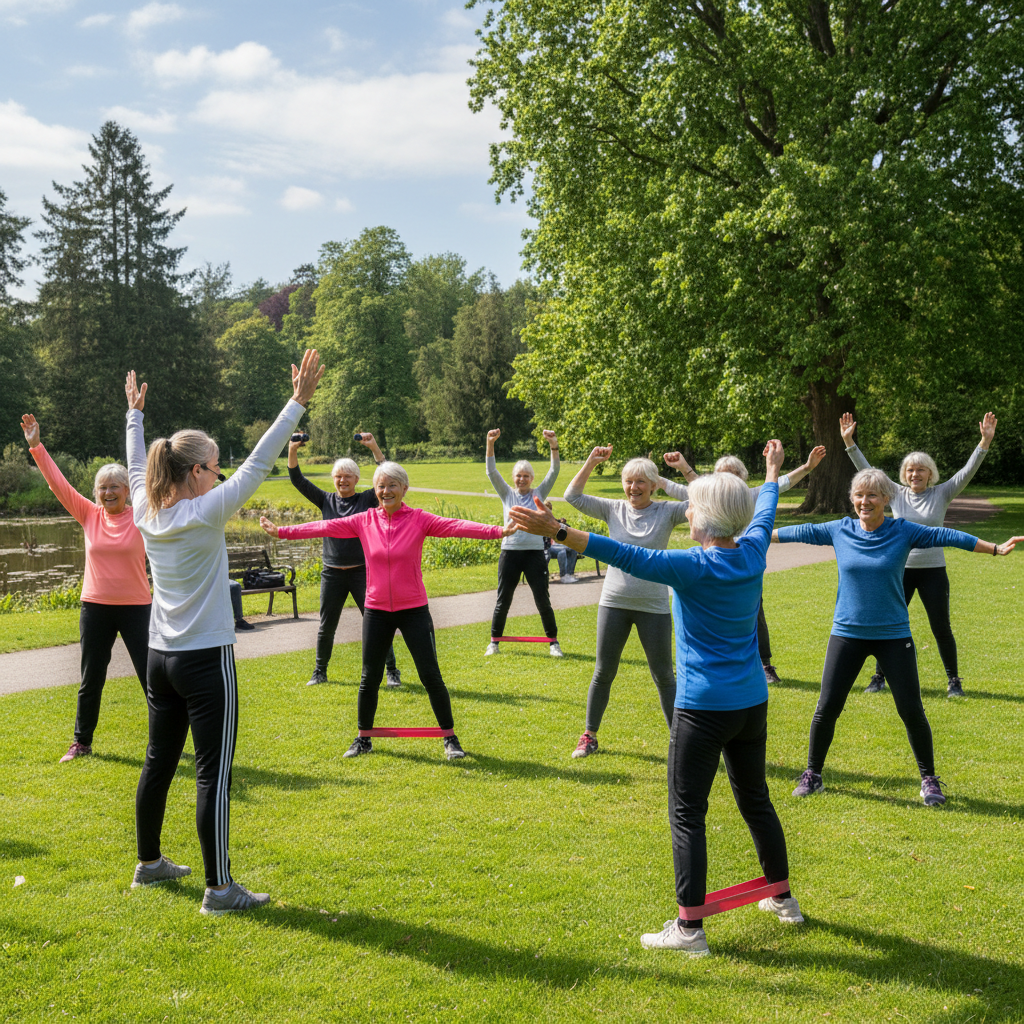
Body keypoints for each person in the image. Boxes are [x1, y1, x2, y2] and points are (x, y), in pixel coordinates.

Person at [509, 441, 802, 956]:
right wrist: (772, 471)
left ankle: (689, 930)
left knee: (687, 812)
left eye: (693, 505)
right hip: (751, 703)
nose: (686, 510)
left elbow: (625, 555)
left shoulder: (693, 566)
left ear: (705, 518)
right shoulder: (753, 549)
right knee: (755, 799)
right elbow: (767, 507)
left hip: (703, 708)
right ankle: (783, 899)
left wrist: (557, 531)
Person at [125, 349, 325, 915]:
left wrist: (134, 417)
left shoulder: (145, 510)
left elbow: (137, 466)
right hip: (204, 658)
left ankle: (149, 864)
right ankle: (219, 889)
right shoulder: (203, 512)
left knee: (158, 761)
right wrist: (297, 403)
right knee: (213, 772)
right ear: (195, 472)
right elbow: (259, 463)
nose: (221, 475)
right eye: (215, 468)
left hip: (160, 657)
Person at [774, 467, 1021, 807]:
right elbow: (797, 532)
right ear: (852, 499)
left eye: (872, 495)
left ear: (887, 499)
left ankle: (929, 779)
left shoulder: (902, 531)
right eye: (859, 495)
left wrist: (994, 548)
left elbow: (947, 536)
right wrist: (753, 535)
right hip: (847, 633)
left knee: (911, 709)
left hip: (893, 635)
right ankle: (813, 775)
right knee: (827, 707)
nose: (865, 501)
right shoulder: (839, 529)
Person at [260, 462, 514, 760]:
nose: (386, 491)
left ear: (404, 489)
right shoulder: (364, 520)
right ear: (375, 490)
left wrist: (499, 531)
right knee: (369, 678)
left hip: (414, 609)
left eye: (392, 485)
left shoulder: (419, 519)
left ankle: (450, 738)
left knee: (431, 676)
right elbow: (323, 526)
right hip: (376, 610)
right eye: (381, 486)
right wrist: (282, 532)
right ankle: (363, 738)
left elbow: (456, 526)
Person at [20, 414, 151, 764]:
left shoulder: (142, 516)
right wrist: (36, 446)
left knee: (152, 678)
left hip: (138, 607)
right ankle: (81, 742)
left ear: (128, 490)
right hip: (95, 608)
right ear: (96, 493)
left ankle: (165, 740)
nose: (108, 493)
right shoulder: (89, 514)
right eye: (102, 488)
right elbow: (58, 484)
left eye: (115, 486)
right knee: (91, 678)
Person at [840, 411, 997, 696]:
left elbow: (968, 471)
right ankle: (878, 677)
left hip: (933, 571)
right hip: (898, 570)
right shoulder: (895, 493)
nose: (915, 474)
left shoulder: (942, 493)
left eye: (921, 469)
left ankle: (953, 681)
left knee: (941, 627)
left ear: (930, 474)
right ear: (905, 474)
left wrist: (984, 442)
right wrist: (849, 442)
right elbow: (868, 470)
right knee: (887, 623)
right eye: (911, 470)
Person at [562, 447, 689, 758]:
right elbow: (572, 496)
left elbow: (705, 501)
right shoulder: (613, 509)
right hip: (614, 603)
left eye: (641, 481)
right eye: (629, 481)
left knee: (664, 676)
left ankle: (681, 743)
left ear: (654, 484)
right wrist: (591, 462)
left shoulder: (667, 512)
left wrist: (682, 470)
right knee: (603, 672)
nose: (634, 488)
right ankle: (589, 736)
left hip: (654, 606)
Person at [662, 445, 827, 684]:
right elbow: (692, 486)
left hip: (743, 565)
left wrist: (807, 467)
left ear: (742, 478)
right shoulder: (712, 497)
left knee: (755, 613)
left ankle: (764, 664)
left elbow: (778, 484)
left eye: (732, 475)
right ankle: (703, 664)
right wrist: (669, 472)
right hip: (713, 566)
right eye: (721, 476)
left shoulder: (749, 496)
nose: (726, 481)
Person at [286, 431, 401, 688]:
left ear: (357, 479)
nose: (342, 480)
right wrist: (292, 450)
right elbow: (297, 479)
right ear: (333, 479)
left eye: (348, 476)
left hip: (362, 573)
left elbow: (388, 475)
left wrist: (374, 447)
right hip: (332, 574)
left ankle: (392, 672)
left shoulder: (366, 499)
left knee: (377, 624)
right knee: (326, 627)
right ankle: (319, 672)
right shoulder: (325, 500)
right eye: (338, 476)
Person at [483, 427, 563, 657]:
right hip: (510, 553)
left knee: (542, 600)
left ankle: (553, 643)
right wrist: (490, 443)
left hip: (534, 554)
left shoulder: (539, 493)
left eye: (526, 476)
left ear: (532, 479)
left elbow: (554, 471)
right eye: (519, 475)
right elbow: (491, 471)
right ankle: (494, 642)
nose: (522, 479)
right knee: (503, 599)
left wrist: (553, 445)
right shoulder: (507, 494)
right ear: (514, 478)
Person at [542, 500, 579, 581]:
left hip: (551, 546)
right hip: (544, 548)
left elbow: (560, 524)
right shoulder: (540, 520)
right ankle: (563, 576)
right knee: (562, 552)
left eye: (550, 510)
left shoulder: (550, 519)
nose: (548, 512)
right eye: (547, 510)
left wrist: (562, 522)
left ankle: (569, 574)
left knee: (573, 549)